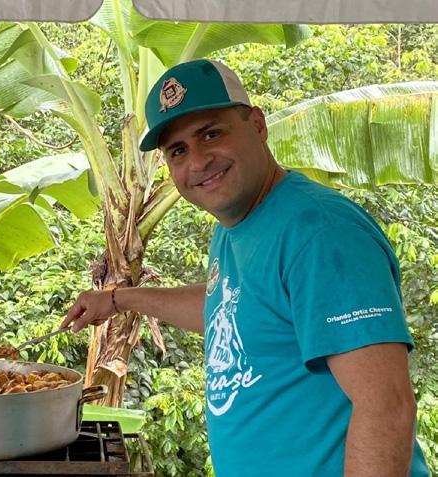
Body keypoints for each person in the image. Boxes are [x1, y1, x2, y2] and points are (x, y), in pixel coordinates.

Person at [60, 59, 430, 477]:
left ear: (257, 125)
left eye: (211, 134)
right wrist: (118, 299)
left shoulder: (319, 233)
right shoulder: (237, 226)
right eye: (178, 150)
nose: (198, 161)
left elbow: (385, 407)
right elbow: (231, 307)